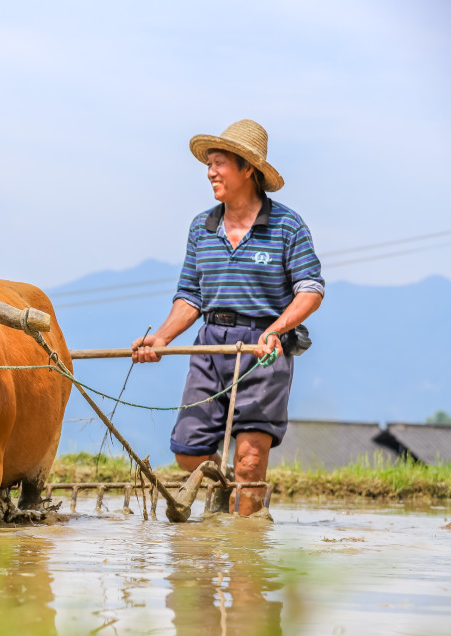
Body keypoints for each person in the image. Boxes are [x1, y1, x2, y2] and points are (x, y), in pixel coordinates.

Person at [132, 119, 324, 516]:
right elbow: (190, 296)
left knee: (250, 461)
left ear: (247, 168)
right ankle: (224, 496)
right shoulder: (202, 228)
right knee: (190, 454)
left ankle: (246, 549)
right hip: (211, 344)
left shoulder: (287, 226)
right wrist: (162, 338)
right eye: (209, 164)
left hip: (263, 347)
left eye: (219, 163)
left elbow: (311, 289)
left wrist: (275, 330)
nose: (210, 172)